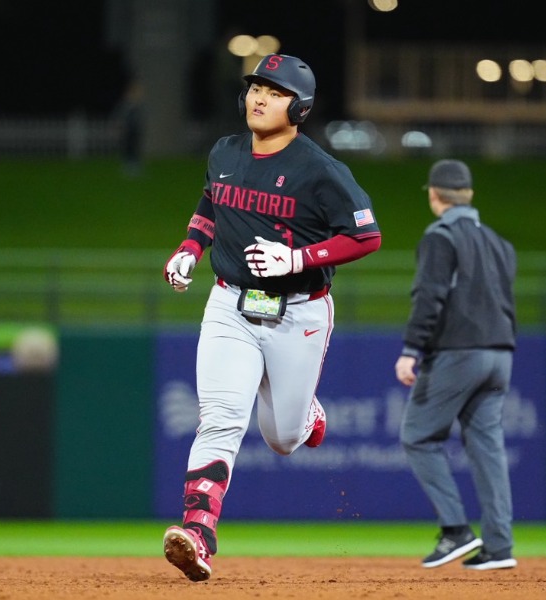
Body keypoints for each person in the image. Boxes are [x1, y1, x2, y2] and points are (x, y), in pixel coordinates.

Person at [161, 53, 382, 582]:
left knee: (283, 437)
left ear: (299, 107)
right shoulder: (224, 151)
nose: (260, 97)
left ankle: (307, 413)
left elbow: (366, 236)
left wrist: (298, 258)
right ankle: (198, 532)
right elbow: (211, 204)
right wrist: (191, 247)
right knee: (219, 420)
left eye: (275, 91)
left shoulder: (321, 169)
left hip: (298, 311)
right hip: (229, 304)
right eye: (257, 86)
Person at [394, 159, 518, 571]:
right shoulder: (499, 242)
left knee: (417, 436)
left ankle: (455, 530)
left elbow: (428, 296)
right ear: (469, 195)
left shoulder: (441, 236)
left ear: (434, 194)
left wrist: (412, 348)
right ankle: (499, 547)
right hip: (500, 354)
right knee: (488, 446)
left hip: (459, 353)